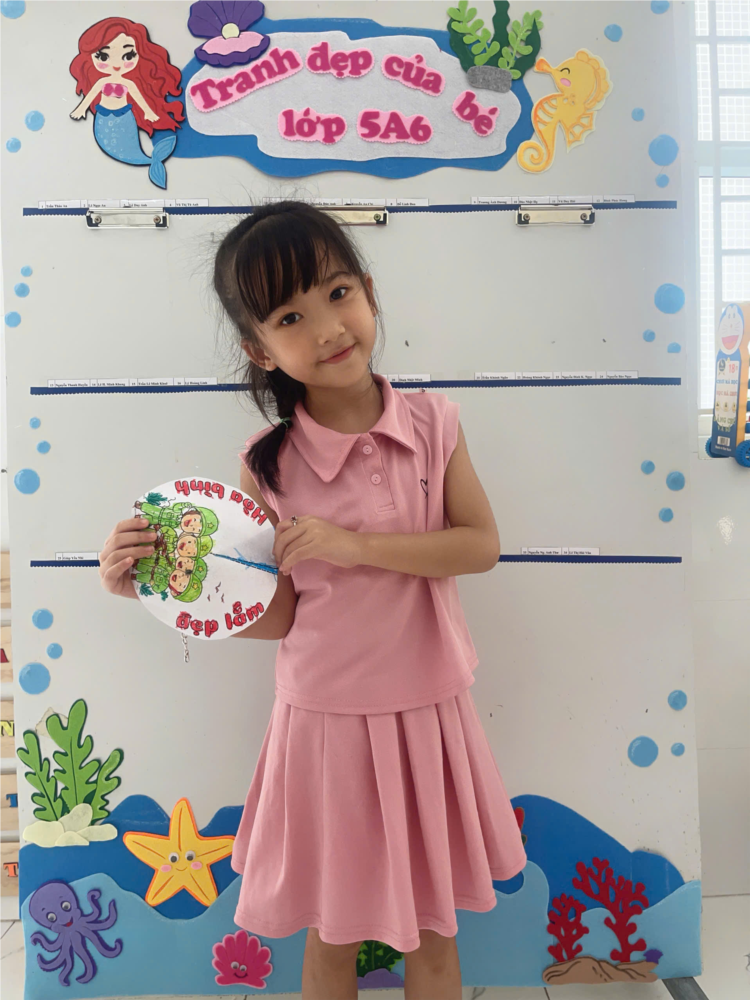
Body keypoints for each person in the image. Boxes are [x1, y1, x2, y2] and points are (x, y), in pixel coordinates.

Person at [97, 200, 527, 1000]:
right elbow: (280, 615)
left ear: (369, 291)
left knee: (435, 935)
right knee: (332, 938)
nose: (328, 328)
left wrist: (356, 546)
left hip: (428, 712)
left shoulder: (434, 423)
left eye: (337, 293)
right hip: (325, 725)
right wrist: (159, 592)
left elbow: (480, 545)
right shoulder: (267, 466)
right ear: (260, 349)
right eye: (291, 316)